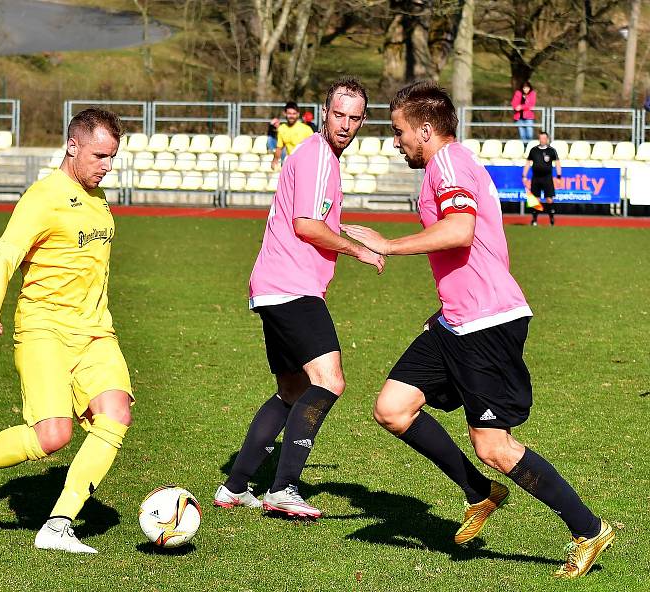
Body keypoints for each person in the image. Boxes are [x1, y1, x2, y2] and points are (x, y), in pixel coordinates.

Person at [342, 80, 614, 579]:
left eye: (399, 131)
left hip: (487, 324)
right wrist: (444, 307)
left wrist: (388, 245)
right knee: (392, 408)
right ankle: (479, 492)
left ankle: (588, 528)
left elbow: (461, 231)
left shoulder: (447, 163)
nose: (395, 140)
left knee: (493, 446)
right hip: (457, 320)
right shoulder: (450, 164)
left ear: (426, 129)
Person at [0, 108, 133, 555]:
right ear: (72, 146)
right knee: (53, 437)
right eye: (99, 156)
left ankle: (57, 525)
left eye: (112, 157)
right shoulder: (43, 196)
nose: (106, 166)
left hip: (95, 333)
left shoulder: (99, 196)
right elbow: (4, 256)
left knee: (115, 415)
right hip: (44, 329)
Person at [214, 78, 384, 518]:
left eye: (354, 117)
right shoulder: (319, 157)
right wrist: (358, 249)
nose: (345, 124)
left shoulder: (315, 154)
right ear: (322, 113)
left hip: (273, 286)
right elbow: (307, 224)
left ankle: (235, 487)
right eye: (338, 114)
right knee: (329, 380)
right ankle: (283, 487)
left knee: (292, 390)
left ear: (363, 120)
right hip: (292, 288)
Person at [523, 131, 562, 226]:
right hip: (536, 178)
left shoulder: (551, 150)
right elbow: (528, 163)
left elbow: (557, 163)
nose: (543, 140)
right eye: (541, 138)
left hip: (547, 178)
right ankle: (534, 220)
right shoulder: (534, 150)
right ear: (539, 139)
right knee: (535, 199)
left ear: (547, 139)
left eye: (544, 138)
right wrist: (524, 176)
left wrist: (559, 176)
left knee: (549, 199)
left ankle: (551, 220)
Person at [271, 101, 314, 170]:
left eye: (294, 113)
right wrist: (275, 160)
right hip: (290, 163)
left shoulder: (306, 129)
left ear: (298, 114)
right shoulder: (282, 129)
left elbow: (314, 148)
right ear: (284, 114)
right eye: (289, 113)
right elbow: (279, 147)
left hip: (305, 164)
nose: (291, 116)